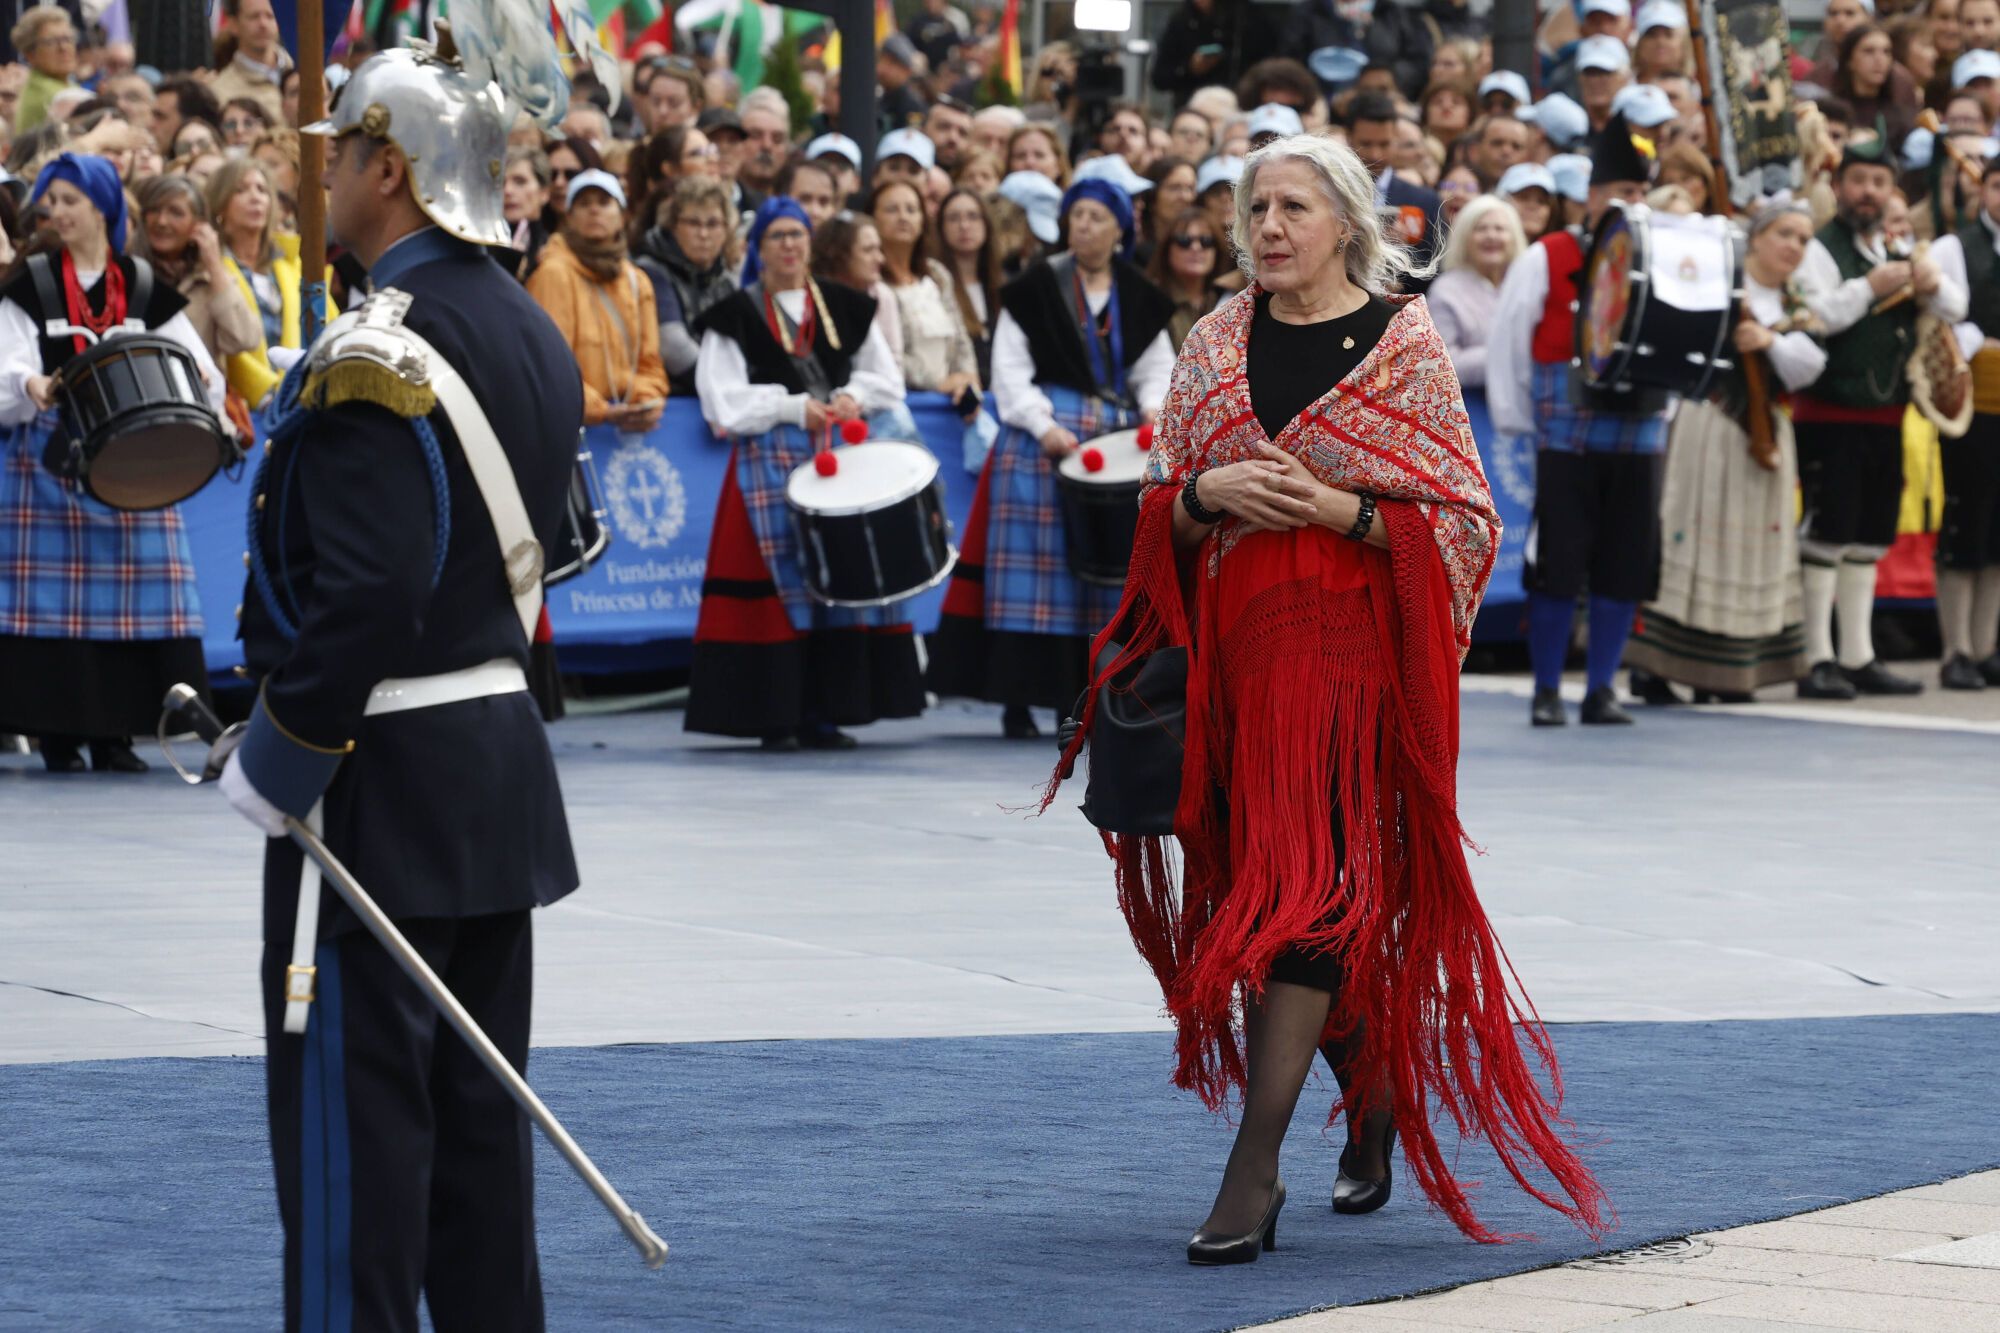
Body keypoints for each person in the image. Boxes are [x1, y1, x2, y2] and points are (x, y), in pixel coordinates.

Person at [1045, 133, 1607, 1265]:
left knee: (1301, 900)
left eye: (1290, 208)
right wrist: (1205, 489)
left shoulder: (1403, 345)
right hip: (1238, 669)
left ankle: (1250, 1169)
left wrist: (1337, 511)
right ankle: (1374, 1082)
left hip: (1350, 668)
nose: (1266, 229)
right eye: (1255, 209)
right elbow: (1161, 509)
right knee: (1272, 897)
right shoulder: (1213, 340)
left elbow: (1459, 522)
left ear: (1346, 221)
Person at [219, 47, 584, 1330]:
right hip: (493, 765)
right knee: (481, 1154)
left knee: (353, 1157)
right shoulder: (529, 322)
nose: (316, 173)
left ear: (393, 168)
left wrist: (276, 759)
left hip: (375, 780)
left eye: (338, 151)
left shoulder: (382, 344)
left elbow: (365, 594)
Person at [0, 152, 226, 774]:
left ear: (101, 205)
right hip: (52, 463)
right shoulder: (33, 285)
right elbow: (6, 364)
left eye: (70, 200)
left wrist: (203, 401)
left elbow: (196, 370)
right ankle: (56, 733)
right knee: (49, 603)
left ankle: (118, 732)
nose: (56, 212)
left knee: (140, 601)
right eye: (49, 202)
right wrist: (28, 384)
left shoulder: (146, 287)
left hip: (136, 462)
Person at [928, 177, 1175, 738]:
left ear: (1119, 229)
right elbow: (1009, 373)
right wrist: (1043, 426)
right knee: (1036, 573)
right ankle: (1019, 698)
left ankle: (1089, 694)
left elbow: (1155, 369)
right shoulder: (1034, 288)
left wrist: (1152, 411)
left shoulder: (1138, 294)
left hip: (1110, 441)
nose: (1083, 225)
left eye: (1095, 216)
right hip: (1040, 446)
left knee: (1095, 574)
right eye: (1076, 215)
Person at [685, 198, 918, 748]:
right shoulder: (733, 314)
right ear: (757, 249)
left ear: (810, 244)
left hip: (836, 456)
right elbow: (720, 402)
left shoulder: (846, 305)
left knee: (833, 580)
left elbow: (887, 379)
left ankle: (825, 712)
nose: (789, 245)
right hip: (766, 462)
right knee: (777, 585)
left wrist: (849, 394)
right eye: (777, 236)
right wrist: (790, 408)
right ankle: (775, 716)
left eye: (798, 234)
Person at [1489, 113, 1675, 726]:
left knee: (1625, 563)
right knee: (1558, 566)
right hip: (1565, 434)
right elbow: (1510, 340)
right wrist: (1521, 422)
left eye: (1642, 194)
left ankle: (1601, 689)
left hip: (1639, 433)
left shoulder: (1662, 259)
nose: (1634, 205)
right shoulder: (1548, 256)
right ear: (1593, 198)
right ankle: (1547, 689)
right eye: (1624, 194)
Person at [1626, 199, 1824, 702]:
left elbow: (1811, 366)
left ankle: (1734, 672)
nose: (1793, 246)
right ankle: (1660, 665)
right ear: (1755, 237)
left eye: (1803, 238)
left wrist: (1768, 342)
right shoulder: (1721, 281)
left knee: (1752, 544)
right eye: (1784, 233)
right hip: (1711, 422)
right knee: (1691, 535)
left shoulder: (1797, 299)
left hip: (1766, 433)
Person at [1793, 132, 1965, 699]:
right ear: (1838, 187)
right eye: (1859, 182)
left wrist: (1930, 283)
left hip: (1886, 415)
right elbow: (1814, 317)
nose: (1868, 193)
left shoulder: (1894, 251)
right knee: (1827, 532)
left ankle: (1858, 655)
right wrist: (1868, 288)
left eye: (1879, 184)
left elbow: (1954, 309)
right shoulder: (1819, 248)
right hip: (1830, 412)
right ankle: (1817, 658)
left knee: (1869, 535)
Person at [1916, 159, 2000, 688]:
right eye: (1997, 184)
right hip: (1974, 404)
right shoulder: (1955, 247)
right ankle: (1957, 648)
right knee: (1968, 523)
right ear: (1982, 190)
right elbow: (1942, 320)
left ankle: (1988, 644)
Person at [526, 169, 669, 435]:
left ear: (623, 215)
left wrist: (644, 402)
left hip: (622, 424)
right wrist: (600, 411)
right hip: (572, 428)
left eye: (604, 203)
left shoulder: (636, 280)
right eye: (583, 204)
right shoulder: (553, 274)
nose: (594, 211)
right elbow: (552, 364)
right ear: (568, 217)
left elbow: (650, 362)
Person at [208, 157, 321, 409]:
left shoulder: (293, 265)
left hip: (301, 400)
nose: (255, 197)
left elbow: (326, 325)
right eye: (241, 190)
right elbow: (228, 349)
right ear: (220, 204)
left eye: (262, 190)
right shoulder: (210, 269)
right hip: (243, 409)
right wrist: (269, 391)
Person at [128, 173, 262, 365]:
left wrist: (214, 265)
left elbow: (244, 339)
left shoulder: (209, 279)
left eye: (176, 212)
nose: (162, 221)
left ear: (198, 224)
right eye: (154, 210)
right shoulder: (130, 274)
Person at [873, 176, 980, 401]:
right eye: (892, 210)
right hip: (901, 400)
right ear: (873, 219)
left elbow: (961, 340)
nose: (903, 217)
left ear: (923, 220)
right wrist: (938, 384)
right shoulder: (871, 282)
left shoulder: (936, 274)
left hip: (951, 398)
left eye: (911, 209)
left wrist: (968, 379)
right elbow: (885, 354)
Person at [634, 174, 735, 397]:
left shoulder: (727, 282)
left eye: (713, 223)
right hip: (672, 399)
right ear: (673, 226)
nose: (703, 234)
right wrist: (727, 387)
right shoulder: (651, 271)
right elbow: (672, 347)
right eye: (693, 223)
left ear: (726, 229)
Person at [1427, 194, 1523, 388]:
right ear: (1464, 238)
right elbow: (1442, 363)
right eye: (1481, 228)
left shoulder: (1524, 283)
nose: (1491, 236)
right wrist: (1508, 356)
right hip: (1471, 407)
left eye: (1500, 229)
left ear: (1514, 238)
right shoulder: (1445, 291)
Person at [937, 186, 1002, 381]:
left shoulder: (1003, 284)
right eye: (954, 218)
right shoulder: (934, 286)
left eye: (973, 216)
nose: (964, 225)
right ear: (941, 227)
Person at [1146, 205, 1228, 349]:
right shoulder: (1151, 300)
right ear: (1167, 249)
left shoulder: (1229, 299)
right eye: (1184, 240)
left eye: (1206, 241)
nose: (1196, 248)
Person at [209, 0, 290, 125]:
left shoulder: (304, 71)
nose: (263, 24)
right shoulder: (220, 91)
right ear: (233, 24)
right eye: (254, 17)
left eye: (270, 16)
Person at [11, 4, 77, 133]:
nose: (63, 48)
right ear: (30, 54)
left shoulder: (64, 85)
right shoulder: (52, 94)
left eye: (67, 39)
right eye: (51, 42)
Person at [498, 145, 553, 282]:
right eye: (501, 182)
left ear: (544, 192)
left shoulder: (555, 248)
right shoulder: (478, 246)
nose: (508, 190)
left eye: (520, 182)